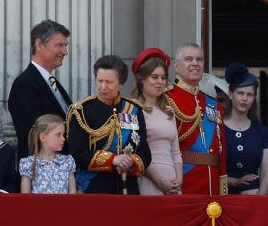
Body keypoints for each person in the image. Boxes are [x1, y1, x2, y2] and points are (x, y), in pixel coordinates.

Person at [67, 55, 151, 194]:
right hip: (95, 188)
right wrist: (112, 160)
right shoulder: (82, 111)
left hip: (127, 188)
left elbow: (144, 154)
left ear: (121, 83)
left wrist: (128, 162)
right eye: (99, 81)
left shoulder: (133, 110)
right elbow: (76, 154)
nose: (103, 87)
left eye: (109, 82)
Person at [165, 43, 226, 195]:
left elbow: (221, 149)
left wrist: (222, 186)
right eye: (189, 59)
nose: (195, 63)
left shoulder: (213, 104)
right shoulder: (165, 98)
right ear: (177, 66)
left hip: (212, 186)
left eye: (199, 59)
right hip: (182, 183)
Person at [8, 19, 73, 159]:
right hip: (42, 174)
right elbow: (32, 136)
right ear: (39, 44)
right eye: (59, 45)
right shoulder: (24, 85)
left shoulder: (51, 82)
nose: (65, 52)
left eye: (65, 46)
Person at [129, 47, 183, 195]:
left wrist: (179, 178)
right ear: (142, 79)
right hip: (148, 179)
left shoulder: (169, 111)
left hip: (172, 180)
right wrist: (159, 181)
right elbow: (135, 152)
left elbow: (175, 151)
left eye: (163, 77)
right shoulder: (133, 111)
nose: (160, 82)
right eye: (154, 77)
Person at [223, 62, 268, 195]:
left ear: (254, 97)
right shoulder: (217, 128)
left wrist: (259, 202)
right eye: (240, 93)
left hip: (253, 198)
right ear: (230, 94)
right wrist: (234, 181)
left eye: (250, 94)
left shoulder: (263, 132)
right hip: (221, 201)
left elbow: (267, 173)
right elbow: (211, 171)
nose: (244, 99)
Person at [19, 114, 76, 194]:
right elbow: (25, 197)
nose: (63, 139)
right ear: (43, 137)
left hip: (63, 206)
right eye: (58, 135)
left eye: (63, 135)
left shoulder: (67, 162)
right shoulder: (29, 163)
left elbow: (72, 193)